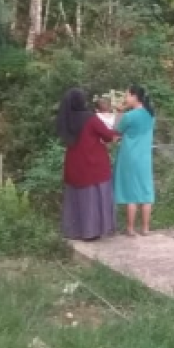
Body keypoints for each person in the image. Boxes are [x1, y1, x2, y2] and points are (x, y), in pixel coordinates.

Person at [57, 88, 119, 241]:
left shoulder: (66, 118)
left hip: (74, 163)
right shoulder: (90, 118)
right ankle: (91, 232)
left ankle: (74, 230)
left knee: (75, 198)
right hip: (93, 164)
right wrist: (118, 130)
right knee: (92, 199)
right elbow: (108, 135)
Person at [114, 85, 156, 237]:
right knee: (146, 191)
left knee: (131, 193)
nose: (126, 99)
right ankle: (145, 228)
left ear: (134, 96)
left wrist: (119, 112)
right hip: (145, 157)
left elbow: (116, 131)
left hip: (130, 157)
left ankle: (130, 229)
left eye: (127, 95)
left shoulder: (129, 116)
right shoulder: (151, 115)